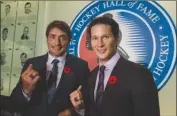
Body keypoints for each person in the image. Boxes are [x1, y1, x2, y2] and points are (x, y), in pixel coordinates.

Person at [10, 20, 90, 116]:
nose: (57, 42)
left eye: (62, 38)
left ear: (69, 40)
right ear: (47, 39)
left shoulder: (81, 66)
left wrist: (72, 113)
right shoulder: (32, 64)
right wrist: (25, 91)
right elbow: (14, 103)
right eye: (53, 37)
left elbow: (88, 103)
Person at [85, 16, 160, 116]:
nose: (100, 44)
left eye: (105, 37)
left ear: (117, 39)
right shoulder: (90, 77)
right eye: (95, 38)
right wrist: (79, 108)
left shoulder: (139, 74)